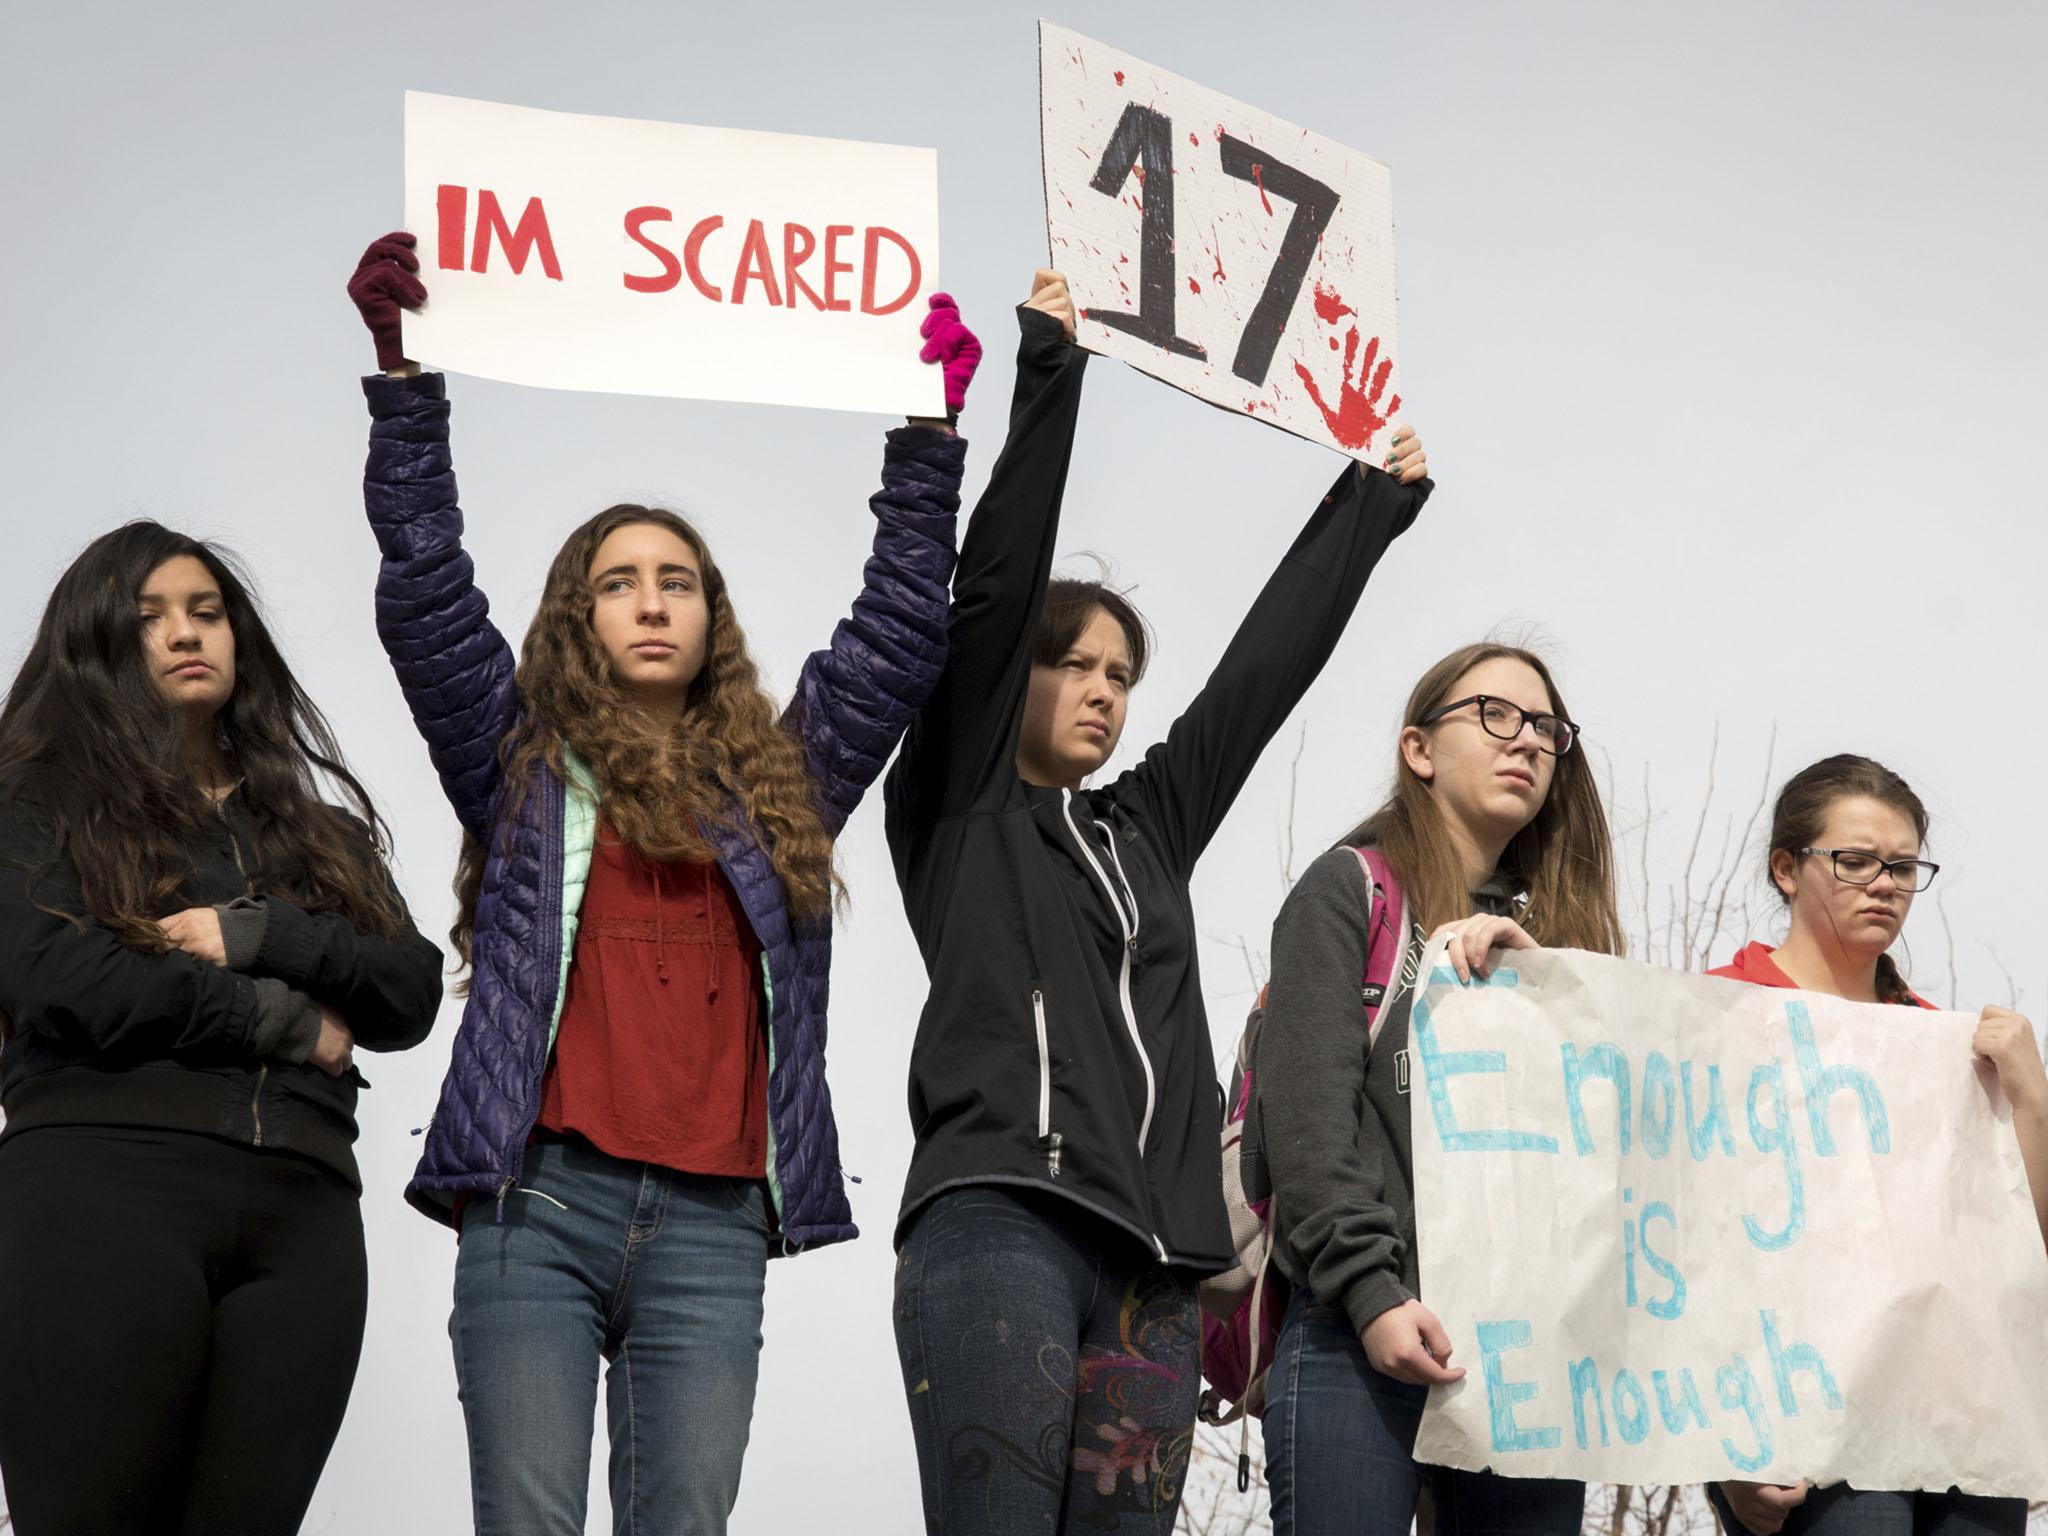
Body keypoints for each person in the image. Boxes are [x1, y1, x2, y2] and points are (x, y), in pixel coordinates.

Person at [345, 230, 978, 1535]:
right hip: (537, 1213)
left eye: (674, 582)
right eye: (617, 581)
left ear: (710, 618)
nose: (648, 602)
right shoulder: (519, 763)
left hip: (711, 1230)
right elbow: (427, 599)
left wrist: (930, 431)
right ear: (578, 615)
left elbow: (901, 633)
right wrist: (405, 384)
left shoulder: (782, 783)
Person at [883, 268, 1432, 1535]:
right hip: (999, 1224)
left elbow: (1257, 678)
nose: (1099, 690)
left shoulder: (1146, 829)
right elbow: (989, 600)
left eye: (1119, 673)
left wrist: (1371, 505)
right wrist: (1051, 379)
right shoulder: (958, 806)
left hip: (1161, 1274)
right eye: (1069, 664)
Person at [0, 521, 443, 1534]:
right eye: (148, 618)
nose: (184, 634)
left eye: (206, 613)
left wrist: (262, 934)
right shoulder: (33, 800)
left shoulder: (314, 831)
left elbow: (406, 990)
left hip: (304, 1218)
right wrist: (280, 1016)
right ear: (98, 644)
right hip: (103, 1187)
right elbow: (57, 976)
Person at [1252, 642, 1620, 1534]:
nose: (1527, 742)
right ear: (1418, 748)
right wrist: (1373, 1295)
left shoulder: (1564, 944)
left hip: (1526, 1361)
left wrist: (1553, 1000)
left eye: (1545, 728)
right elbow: (1306, 1120)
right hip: (1357, 1332)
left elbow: (1608, 1158)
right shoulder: (1351, 890)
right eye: (1494, 714)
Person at [1707, 753, 2044, 1536]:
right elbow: (1688, 1250)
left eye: (1902, 865)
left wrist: (2031, 1096)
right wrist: (1724, 1455)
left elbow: (2020, 1249)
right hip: (1808, 1424)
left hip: (1966, 1422)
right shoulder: (1715, 1013)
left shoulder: (1949, 1047)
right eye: (1855, 861)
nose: (1885, 884)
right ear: (1786, 870)